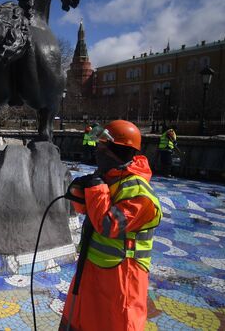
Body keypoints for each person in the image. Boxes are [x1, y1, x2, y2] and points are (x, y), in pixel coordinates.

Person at [61, 119, 162, 331]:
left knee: (117, 323)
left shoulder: (139, 193)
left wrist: (96, 190)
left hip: (122, 278)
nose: (97, 151)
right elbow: (89, 211)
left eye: (102, 147)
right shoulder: (111, 178)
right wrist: (80, 191)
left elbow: (107, 225)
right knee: (79, 320)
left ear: (116, 150)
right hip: (93, 270)